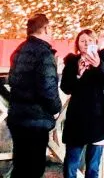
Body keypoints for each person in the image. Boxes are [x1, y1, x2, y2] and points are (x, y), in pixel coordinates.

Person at [7, 14, 62, 178]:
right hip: (36, 120)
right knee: (34, 169)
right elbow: (48, 88)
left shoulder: (19, 50)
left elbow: (12, 80)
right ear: (46, 28)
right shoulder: (44, 54)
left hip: (17, 117)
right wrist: (56, 108)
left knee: (21, 167)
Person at [61, 29, 104, 178]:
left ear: (96, 43)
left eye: (90, 41)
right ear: (77, 45)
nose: (86, 44)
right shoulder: (72, 62)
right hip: (76, 118)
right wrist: (78, 74)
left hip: (98, 118)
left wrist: (99, 65)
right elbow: (66, 88)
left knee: (93, 167)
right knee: (70, 164)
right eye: (83, 41)